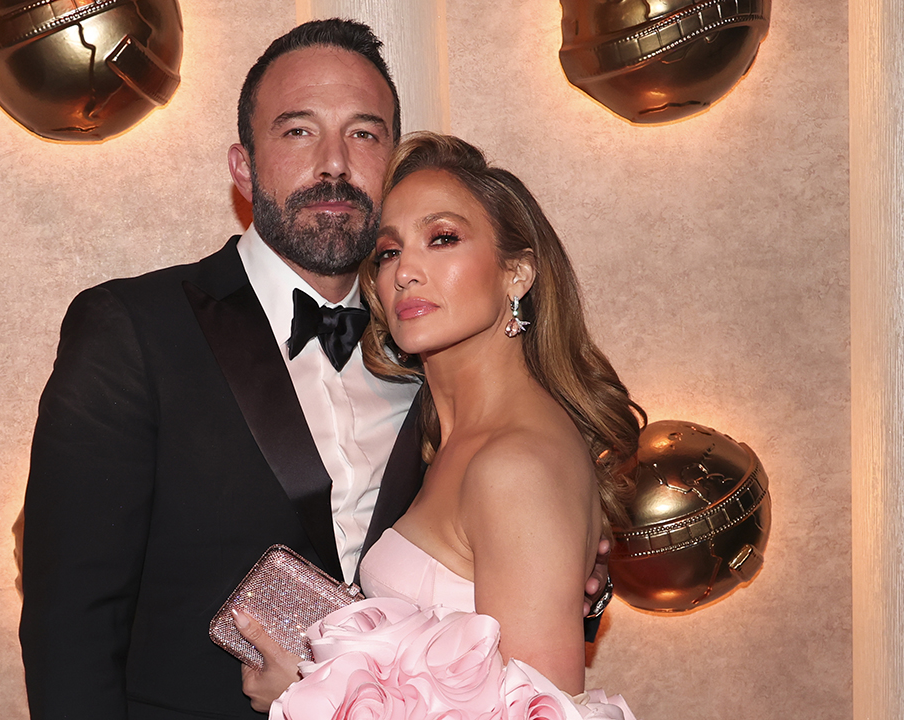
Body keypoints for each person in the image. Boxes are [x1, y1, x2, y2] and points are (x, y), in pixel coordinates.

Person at [20, 19, 610, 720]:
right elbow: (71, 626)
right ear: (243, 166)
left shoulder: (438, 352)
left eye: (363, 134)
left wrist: (569, 577)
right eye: (298, 131)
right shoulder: (132, 330)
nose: (334, 162)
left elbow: (496, 636)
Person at [238, 133, 644, 720]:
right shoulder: (445, 437)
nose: (406, 271)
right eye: (387, 252)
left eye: (443, 238)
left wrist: (309, 698)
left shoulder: (515, 465)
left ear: (518, 274)